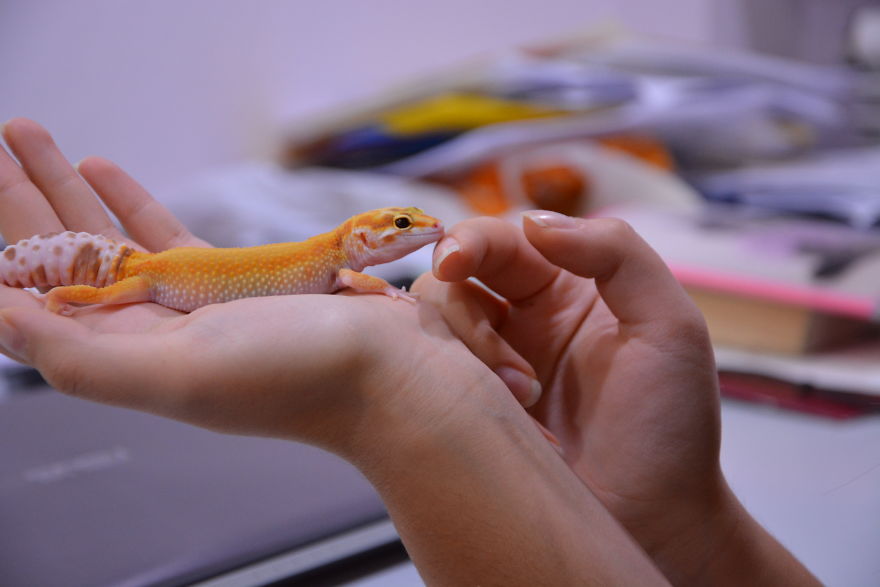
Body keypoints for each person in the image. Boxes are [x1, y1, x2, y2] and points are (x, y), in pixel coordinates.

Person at [0, 118, 818, 585]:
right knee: (111, 288)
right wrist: (68, 292)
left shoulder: (337, 272)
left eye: (407, 229)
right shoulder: (324, 264)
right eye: (396, 229)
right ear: (358, 236)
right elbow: (344, 290)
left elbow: (359, 298)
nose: (413, 236)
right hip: (150, 274)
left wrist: (399, 384)